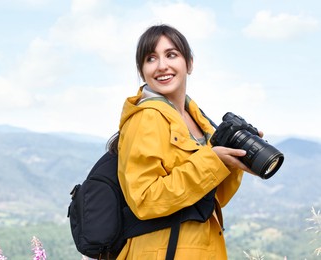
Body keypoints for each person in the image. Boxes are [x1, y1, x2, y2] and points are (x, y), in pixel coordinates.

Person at [109, 24, 258, 259]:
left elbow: (211, 199)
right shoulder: (146, 117)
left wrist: (234, 162)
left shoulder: (201, 122)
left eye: (171, 55)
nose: (162, 66)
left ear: (189, 63)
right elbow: (144, 200)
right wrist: (212, 162)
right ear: (142, 70)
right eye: (151, 58)